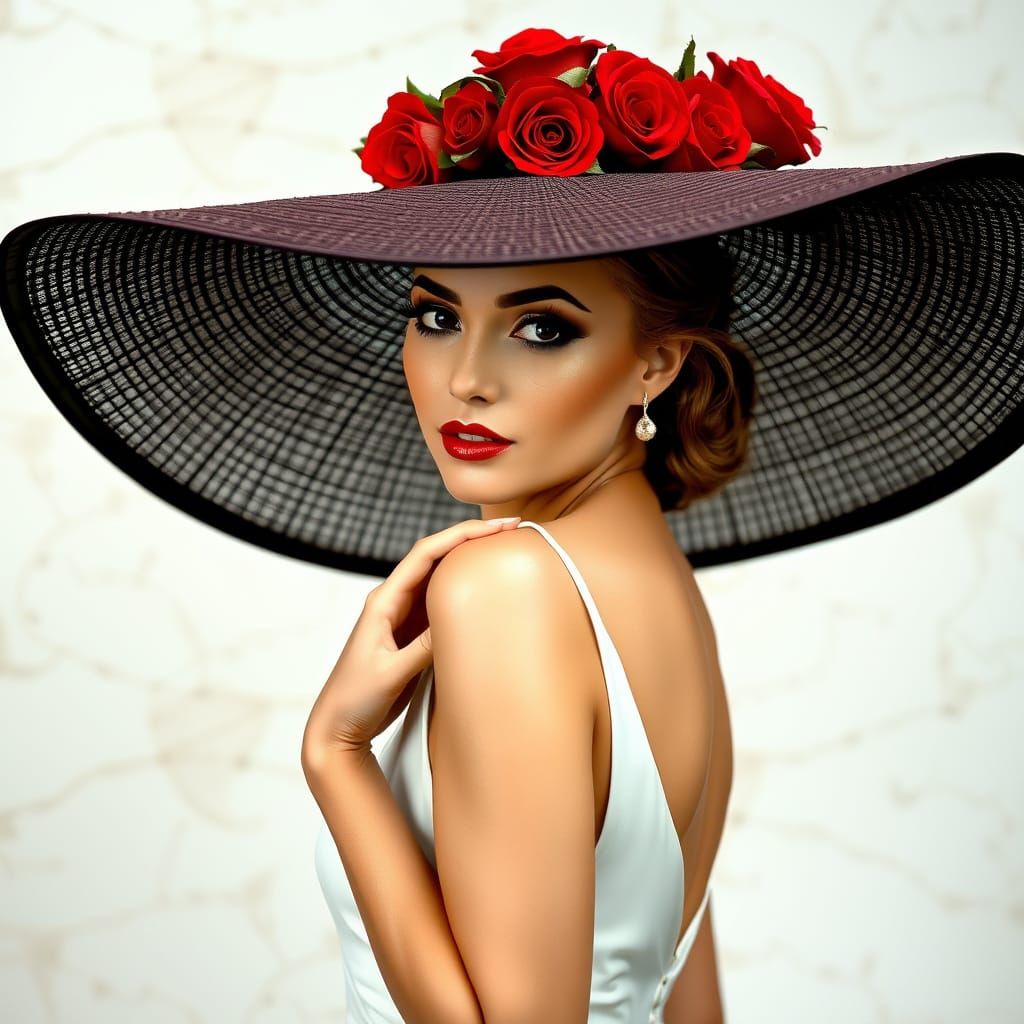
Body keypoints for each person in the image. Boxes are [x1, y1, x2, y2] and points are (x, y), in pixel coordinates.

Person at [2, 24, 1022, 1024]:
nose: (468, 378)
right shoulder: (664, 597)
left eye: (542, 327)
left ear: (657, 361)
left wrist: (337, 757)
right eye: (436, 314)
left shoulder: (505, 590)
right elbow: (688, 1004)